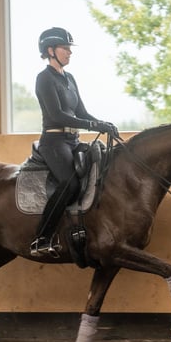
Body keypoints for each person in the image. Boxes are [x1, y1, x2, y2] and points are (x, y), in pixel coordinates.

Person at [30, 27, 118, 257]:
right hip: (54, 141)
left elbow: (81, 111)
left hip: (72, 140)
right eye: (65, 48)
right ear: (50, 51)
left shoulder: (69, 78)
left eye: (69, 49)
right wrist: (92, 126)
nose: (69, 52)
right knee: (70, 184)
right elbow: (58, 115)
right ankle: (42, 238)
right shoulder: (44, 78)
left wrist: (102, 123)